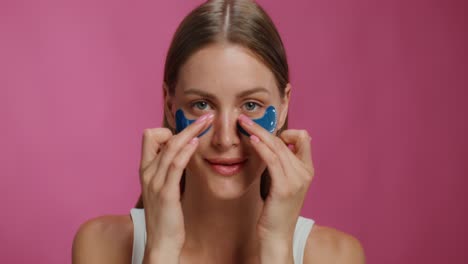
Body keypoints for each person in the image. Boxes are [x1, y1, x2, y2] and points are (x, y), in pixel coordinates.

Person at [72, 0, 365, 263]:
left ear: (284, 105)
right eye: (201, 104)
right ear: (169, 104)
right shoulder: (102, 246)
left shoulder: (336, 256)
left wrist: (277, 247)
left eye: (251, 105)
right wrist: (161, 248)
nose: (225, 139)